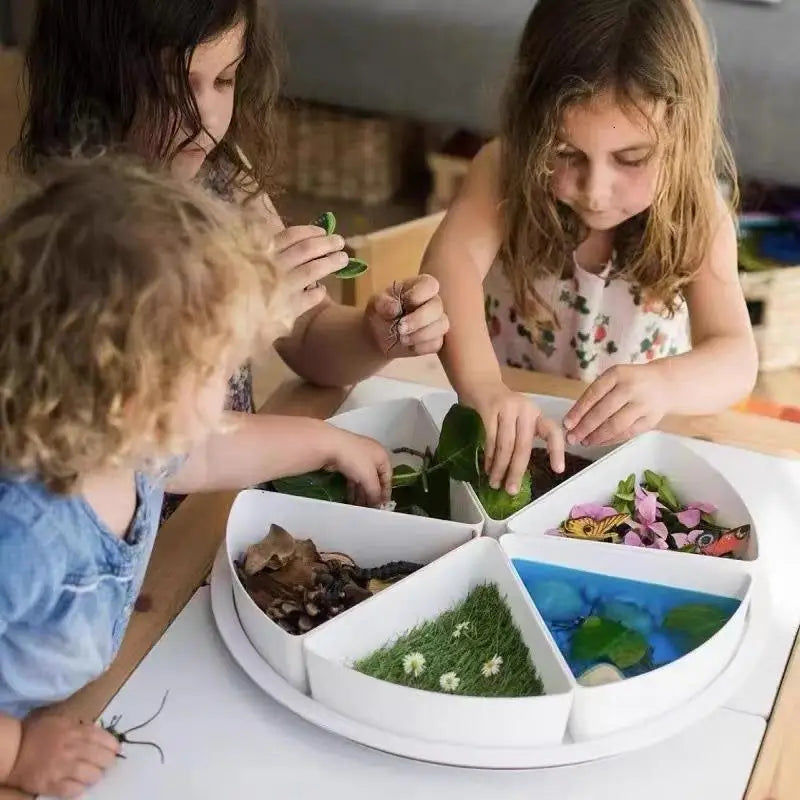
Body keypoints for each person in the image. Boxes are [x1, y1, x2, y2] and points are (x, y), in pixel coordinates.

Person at [0, 159, 391, 799]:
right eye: (215, 370)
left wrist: (326, 441)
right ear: (129, 392)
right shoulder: (23, 530)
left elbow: (207, 453)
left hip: (83, 695)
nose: (231, 389)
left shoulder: (128, 439)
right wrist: (17, 753)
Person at [17, 0, 451, 414]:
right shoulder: (63, 233)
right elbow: (122, 424)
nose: (205, 116)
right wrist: (239, 319)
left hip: (232, 480)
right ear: (95, 80)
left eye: (224, 80)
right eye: (175, 86)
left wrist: (373, 337)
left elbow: (304, 333)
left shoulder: (222, 177)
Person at [421, 0, 757, 496]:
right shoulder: (505, 167)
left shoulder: (699, 209)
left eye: (631, 158)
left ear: (683, 135)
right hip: (517, 436)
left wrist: (665, 384)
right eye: (565, 153)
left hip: (631, 459)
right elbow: (448, 266)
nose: (595, 191)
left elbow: (736, 358)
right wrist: (483, 386)